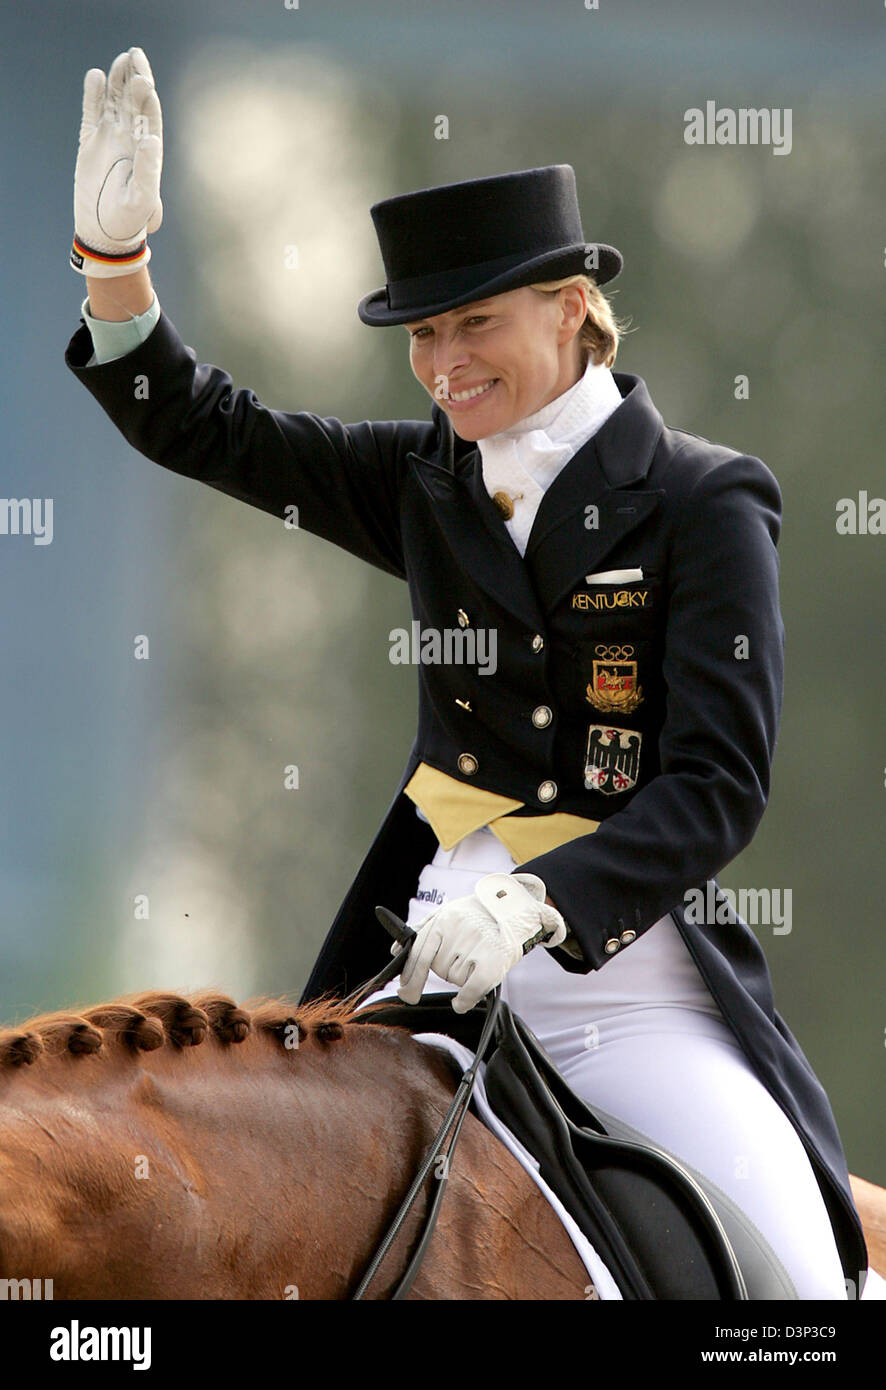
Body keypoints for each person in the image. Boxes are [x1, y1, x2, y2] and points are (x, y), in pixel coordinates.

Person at [65, 47, 870, 1299]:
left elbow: (718, 784)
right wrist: (116, 268)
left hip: (623, 991)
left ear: (570, 306)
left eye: (474, 323)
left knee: (806, 1285)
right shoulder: (421, 482)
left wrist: (541, 900)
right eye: (424, 333)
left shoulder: (703, 500)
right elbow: (205, 425)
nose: (444, 362)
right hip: (427, 970)